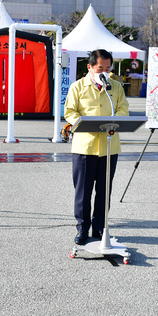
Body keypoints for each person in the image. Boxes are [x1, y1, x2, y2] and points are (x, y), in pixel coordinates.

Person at [64, 49, 129, 245]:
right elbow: (69, 111)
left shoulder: (116, 87)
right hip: (85, 146)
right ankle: (82, 228)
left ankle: (100, 227)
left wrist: (116, 121)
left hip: (109, 147)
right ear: (90, 67)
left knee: (104, 189)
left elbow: (123, 108)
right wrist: (82, 123)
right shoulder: (77, 87)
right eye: (100, 68)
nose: (104, 72)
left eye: (108, 68)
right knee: (83, 191)